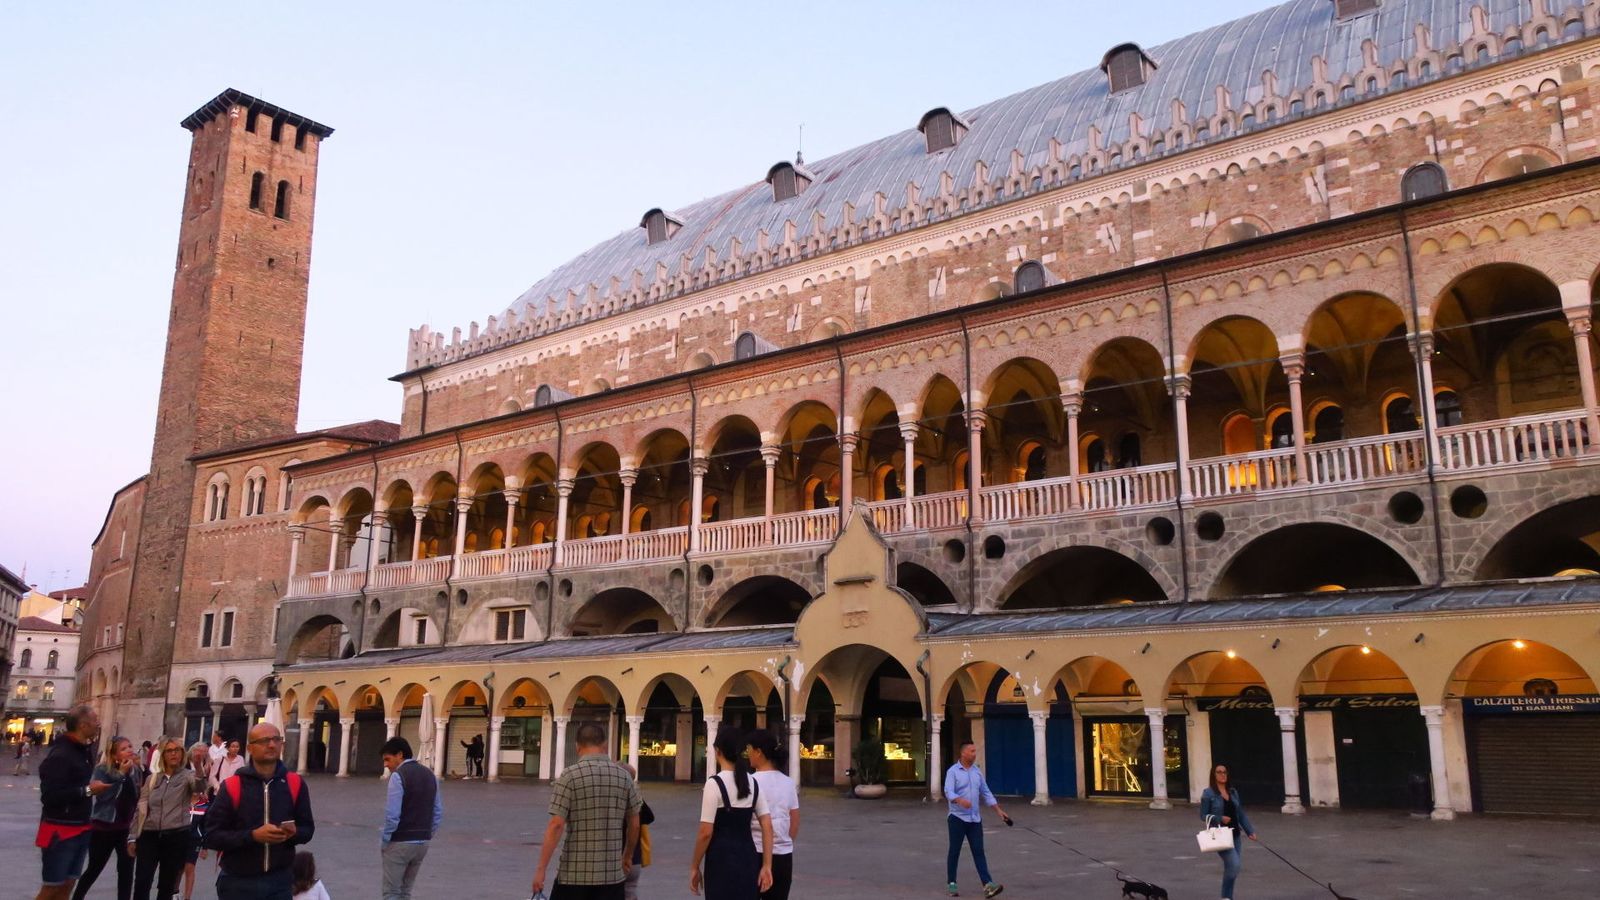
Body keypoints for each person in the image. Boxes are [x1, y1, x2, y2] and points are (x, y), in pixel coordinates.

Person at [203, 721, 315, 899]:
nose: (271, 745)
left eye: (276, 739)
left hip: (280, 882)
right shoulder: (233, 786)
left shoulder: (295, 783)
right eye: (264, 741)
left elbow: (307, 830)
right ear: (250, 748)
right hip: (238, 881)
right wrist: (253, 836)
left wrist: (292, 834)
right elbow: (212, 835)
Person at [530, 722, 641, 900]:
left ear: (577, 746)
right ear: (605, 745)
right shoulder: (624, 777)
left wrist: (541, 869)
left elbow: (556, 825)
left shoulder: (568, 776)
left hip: (574, 875)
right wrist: (627, 855)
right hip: (612, 876)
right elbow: (634, 824)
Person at [690, 726, 774, 900]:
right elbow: (767, 825)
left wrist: (695, 866)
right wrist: (767, 865)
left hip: (720, 860)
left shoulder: (714, 784)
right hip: (748, 858)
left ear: (717, 751)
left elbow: (705, 832)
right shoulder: (753, 783)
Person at [34, 704, 108, 900]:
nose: (98, 724)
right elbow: (50, 796)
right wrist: (88, 790)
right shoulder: (61, 754)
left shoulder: (83, 750)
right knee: (52, 887)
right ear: (83, 725)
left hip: (80, 825)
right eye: (94, 720)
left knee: (68, 884)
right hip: (60, 829)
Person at [130, 736, 205, 900]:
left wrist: (199, 767)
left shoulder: (188, 775)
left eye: (177, 750)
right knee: (142, 881)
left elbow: (199, 786)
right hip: (149, 835)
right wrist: (132, 837)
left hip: (176, 835)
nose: (173, 754)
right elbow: (141, 808)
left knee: (167, 884)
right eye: (169, 751)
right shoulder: (152, 779)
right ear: (163, 755)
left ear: (182, 753)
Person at [71, 735, 143, 900]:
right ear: (114, 755)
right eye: (123, 749)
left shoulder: (135, 770)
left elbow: (136, 796)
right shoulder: (102, 770)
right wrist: (121, 774)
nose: (129, 750)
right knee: (95, 868)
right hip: (104, 827)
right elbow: (103, 796)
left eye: (130, 746)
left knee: (126, 870)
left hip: (126, 828)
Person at [380, 737, 443, 900]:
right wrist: (426, 834)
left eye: (388, 759)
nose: (385, 764)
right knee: (405, 892)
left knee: (391, 892)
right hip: (422, 842)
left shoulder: (398, 776)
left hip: (400, 841)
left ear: (400, 755)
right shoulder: (430, 775)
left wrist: (385, 840)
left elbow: (392, 815)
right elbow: (437, 812)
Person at [944, 740, 1008, 898]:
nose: (974, 754)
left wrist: (998, 811)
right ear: (963, 753)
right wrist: (959, 800)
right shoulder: (953, 772)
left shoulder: (977, 772)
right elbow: (948, 791)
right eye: (971, 751)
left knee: (979, 851)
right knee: (954, 850)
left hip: (974, 819)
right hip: (957, 818)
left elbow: (986, 792)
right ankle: (952, 883)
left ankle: (988, 884)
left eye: (975, 751)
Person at [745, 731, 798, 900]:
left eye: (749, 749)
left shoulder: (750, 782)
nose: (747, 753)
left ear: (758, 752)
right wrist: (784, 840)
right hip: (783, 855)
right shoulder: (788, 783)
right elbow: (794, 820)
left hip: (755, 852)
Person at [1199, 764, 1258, 900]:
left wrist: (1250, 831)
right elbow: (1203, 815)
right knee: (1234, 865)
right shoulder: (1208, 793)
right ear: (1213, 775)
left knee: (1231, 869)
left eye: (1224, 772)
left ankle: (1227, 897)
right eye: (1219, 772)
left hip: (1235, 835)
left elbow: (1240, 813)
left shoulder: (1232, 792)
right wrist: (1219, 818)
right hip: (1221, 836)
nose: (1222, 775)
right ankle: (1226, 897)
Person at [182, 742, 213, 900]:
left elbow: (206, 825)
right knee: (177, 867)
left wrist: (205, 846)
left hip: (194, 838)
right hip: (179, 835)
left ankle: (187, 897)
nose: (202, 753)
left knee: (190, 867)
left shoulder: (204, 804)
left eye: (204, 751)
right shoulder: (185, 766)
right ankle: (174, 893)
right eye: (199, 750)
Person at [620, 765, 655, 900]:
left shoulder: (614, 800)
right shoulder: (637, 799)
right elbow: (649, 817)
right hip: (635, 858)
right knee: (630, 891)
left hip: (618, 857)